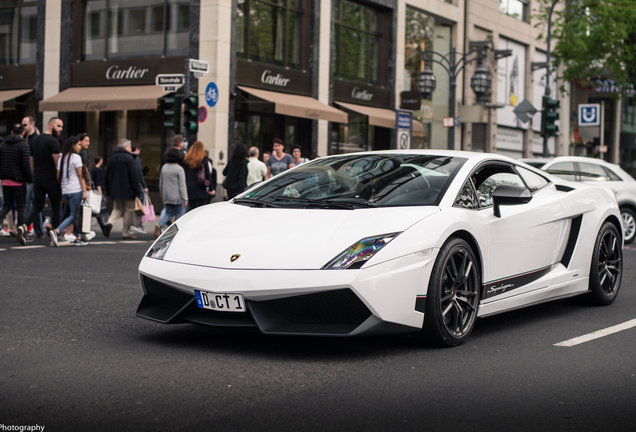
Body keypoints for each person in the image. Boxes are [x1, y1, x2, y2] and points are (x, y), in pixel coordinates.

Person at [19, 117, 63, 247]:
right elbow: (57, 164)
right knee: (56, 206)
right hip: (51, 179)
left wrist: (33, 178)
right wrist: (59, 180)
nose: (61, 129)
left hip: (38, 178)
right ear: (51, 125)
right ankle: (55, 233)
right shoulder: (54, 141)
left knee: (37, 206)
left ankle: (24, 226)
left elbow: (31, 161)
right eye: (59, 126)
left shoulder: (35, 140)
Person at [50, 136, 88, 246]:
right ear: (73, 146)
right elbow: (80, 175)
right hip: (75, 189)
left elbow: (58, 176)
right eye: (78, 145)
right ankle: (57, 231)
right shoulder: (76, 158)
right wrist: (84, 191)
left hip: (65, 190)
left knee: (74, 213)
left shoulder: (62, 158)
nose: (80, 147)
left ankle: (78, 237)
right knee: (73, 214)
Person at [103, 138, 143, 240]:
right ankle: (126, 232)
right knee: (128, 210)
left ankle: (109, 223)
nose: (130, 149)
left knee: (117, 208)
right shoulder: (129, 158)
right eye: (130, 147)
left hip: (115, 190)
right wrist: (137, 190)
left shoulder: (112, 158)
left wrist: (108, 189)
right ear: (126, 147)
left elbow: (107, 175)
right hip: (128, 190)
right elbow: (134, 176)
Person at [0, 123, 32, 244]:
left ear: (12, 132)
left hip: (5, 181)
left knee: (6, 205)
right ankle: (21, 232)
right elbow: (26, 165)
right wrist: (30, 179)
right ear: (23, 133)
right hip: (19, 181)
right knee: (21, 206)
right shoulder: (23, 144)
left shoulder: (3, 145)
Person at [155, 149, 188, 239]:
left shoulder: (164, 167)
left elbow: (161, 183)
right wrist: (185, 198)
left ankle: (160, 225)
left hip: (167, 196)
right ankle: (174, 233)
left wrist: (162, 195)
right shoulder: (179, 169)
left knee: (168, 213)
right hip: (177, 197)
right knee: (179, 214)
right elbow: (182, 185)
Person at [183, 141, 212, 212]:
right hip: (200, 186)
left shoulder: (187, 159)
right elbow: (207, 173)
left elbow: (185, 174)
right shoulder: (204, 158)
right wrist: (211, 188)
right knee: (201, 210)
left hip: (190, 186)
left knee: (191, 209)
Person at [130, 142, 149, 234]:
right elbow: (139, 174)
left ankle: (130, 226)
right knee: (139, 206)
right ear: (137, 149)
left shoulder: (128, 158)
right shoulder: (136, 159)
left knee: (130, 207)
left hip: (129, 186)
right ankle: (138, 224)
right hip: (137, 185)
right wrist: (144, 186)